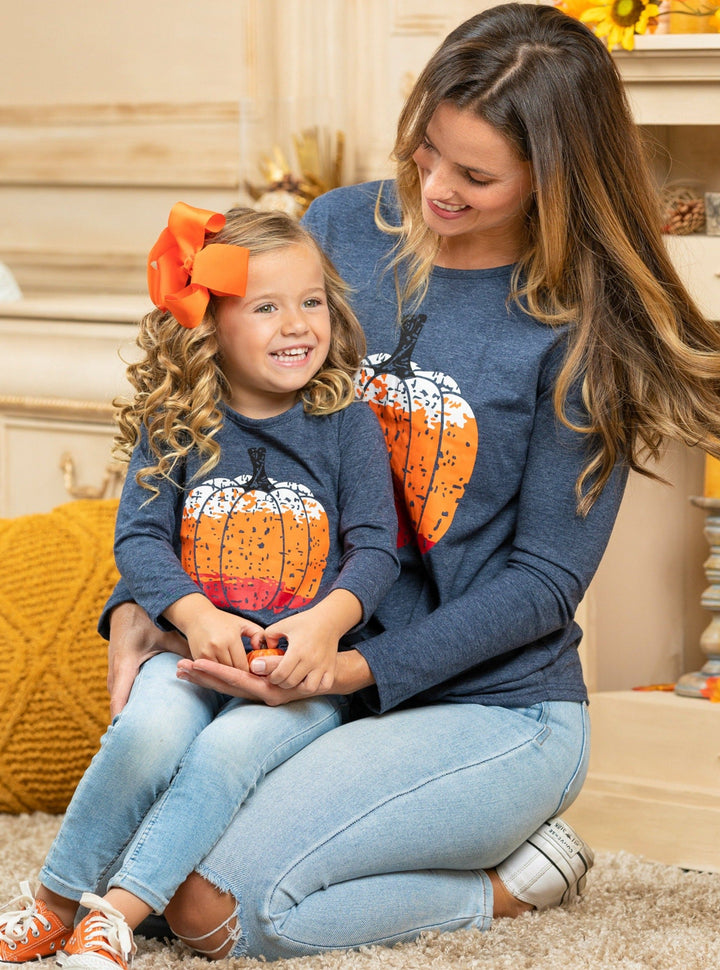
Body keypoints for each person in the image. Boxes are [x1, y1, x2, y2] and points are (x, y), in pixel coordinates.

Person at [6, 1, 720, 964]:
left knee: (220, 911)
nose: (436, 188)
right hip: (306, 674)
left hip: (492, 705)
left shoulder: (585, 329)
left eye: (476, 176)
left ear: (555, 180)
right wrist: (142, 601)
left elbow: (545, 582)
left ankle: (511, 884)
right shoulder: (339, 228)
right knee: (152, 862)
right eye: (428, 152)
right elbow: (212, 411)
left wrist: (349, 669)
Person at [0, 203, 398, 968]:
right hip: (188, 653)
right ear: (210, 323)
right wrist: (195, 614)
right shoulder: (177, 420)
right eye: (267, 307)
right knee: (145, 735)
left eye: (312, 301)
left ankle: (115, 918)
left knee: (223, 755)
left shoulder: (345, 421)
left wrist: (325, 625)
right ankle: (53, 903)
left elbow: (376, 549)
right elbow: (139, 539)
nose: (298, 325)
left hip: (296, 673)